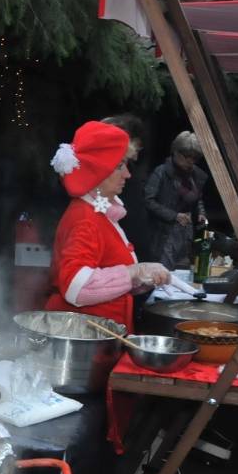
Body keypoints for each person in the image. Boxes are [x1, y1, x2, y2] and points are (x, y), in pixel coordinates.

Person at [44, 121, 171, 332]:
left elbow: (107, 277)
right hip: (83, 345)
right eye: (120, 166)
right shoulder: (86, 219)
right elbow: (76, 287)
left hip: (98, 340)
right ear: (97, 171)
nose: (128, 174)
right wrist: (133, 272)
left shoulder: (98, 212)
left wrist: (141, 279)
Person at [144, 131, 208, 269]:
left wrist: (201, 213)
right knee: (163, 271)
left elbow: (198, 198)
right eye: (187, 157)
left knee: (183, 270)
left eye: (195, 158)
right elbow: (149, 201)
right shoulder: (161, 172)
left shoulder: (196, 175)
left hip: (186, 231)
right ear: (176, 152)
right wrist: (174, 216)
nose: (190, 161)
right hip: (164, 232)